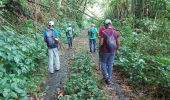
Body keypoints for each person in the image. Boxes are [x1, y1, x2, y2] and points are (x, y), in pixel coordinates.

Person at [99, 19, 120, 84]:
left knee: (103, 63)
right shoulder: (115, 32)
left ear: (105, 25)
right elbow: (118, 43)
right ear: (111, 24)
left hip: (104, 51)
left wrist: (99, 39)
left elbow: (101, 43)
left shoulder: (104, 32)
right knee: (110, 64)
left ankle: (106, 76)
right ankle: (109, 78)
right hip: (112, 51)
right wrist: (117, 49)